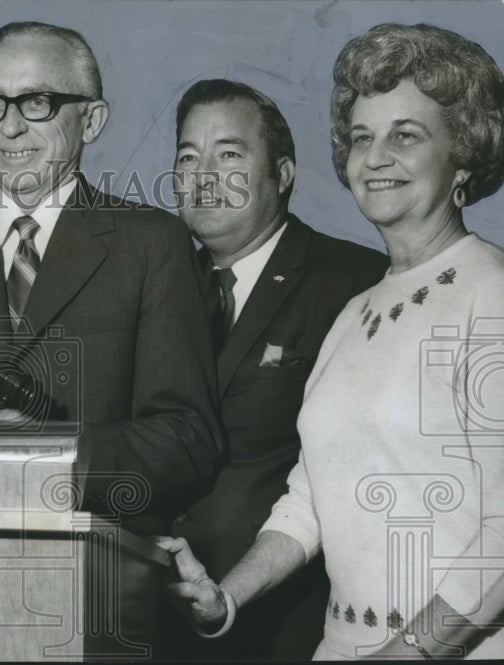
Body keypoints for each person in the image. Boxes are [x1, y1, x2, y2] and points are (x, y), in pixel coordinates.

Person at [162, 23, 504, 659]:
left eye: (406, 136)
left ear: (461, 152)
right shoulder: (356, 310)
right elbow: (310, 501)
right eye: (362, 138)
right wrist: (226, 597)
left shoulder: (493, 295)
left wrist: (405, 655)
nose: (376, 158)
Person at [0, 21, 223, 531]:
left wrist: (54, 457)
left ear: (92, 121)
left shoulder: (151, 243)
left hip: (95, 575)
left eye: (37, 102)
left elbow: (188, 439)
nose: (10, 128)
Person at [161, 79, 388, 659]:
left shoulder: (357, 283)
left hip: (289, 627)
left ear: (282, 173)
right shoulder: (151, 287)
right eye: (188, 157)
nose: (203, 174)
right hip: (153, 620)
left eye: (229, 155)